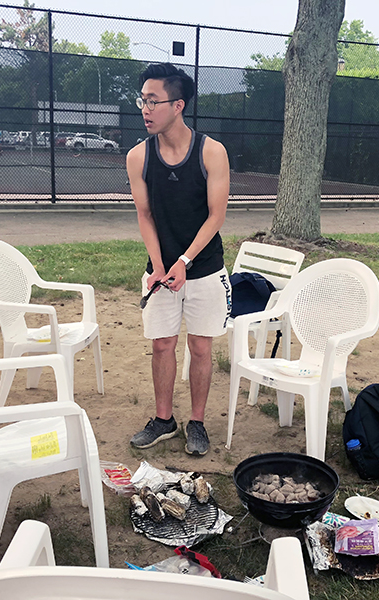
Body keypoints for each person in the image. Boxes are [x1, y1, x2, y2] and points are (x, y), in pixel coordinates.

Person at [126, 63, 231, 456]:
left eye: (153, 101)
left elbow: (215, 216)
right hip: (161, 271)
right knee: (162, 345)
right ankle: (164, 419)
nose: (145, 109)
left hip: (203, 267)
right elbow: (145, 214)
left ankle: (198, 423)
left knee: (201, 348)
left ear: (178, 105)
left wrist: (185, 260)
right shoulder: (138, 157)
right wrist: (157, 266)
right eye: (142, 100)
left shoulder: (211, 152)